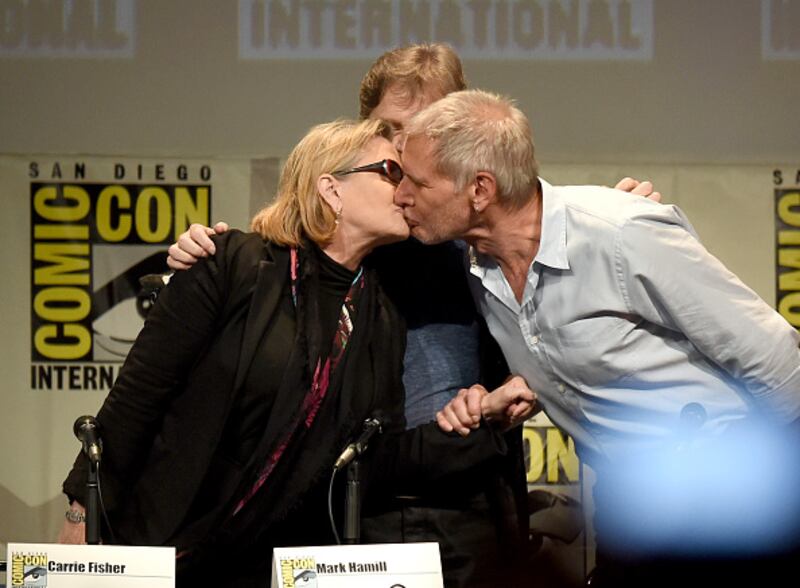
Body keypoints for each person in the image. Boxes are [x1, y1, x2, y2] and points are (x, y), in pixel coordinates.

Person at [167, 43, 662, 587]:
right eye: (392, 129)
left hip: (471, 500)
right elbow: (275, 260)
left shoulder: (494, 234)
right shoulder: (347, 234)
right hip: (349, 507)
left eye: (428, 127)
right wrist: (205, 253)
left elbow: (558, 317)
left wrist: (607, 223)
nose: (407, 147)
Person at [57, 118, 525, 588]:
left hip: (270, 567)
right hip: (159, 547)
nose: (406, 192)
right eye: (390, 171)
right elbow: (137, 398)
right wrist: (81, 517)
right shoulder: (232, 265)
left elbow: (371, 459)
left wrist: (486, 418)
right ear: (331, 189)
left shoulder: (379, 314)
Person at [394, 88, 800, 586]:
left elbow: (776, 360)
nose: (401, 195)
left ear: (480, 190)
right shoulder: (478, 271)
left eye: (417, 182)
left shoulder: (622, 233)